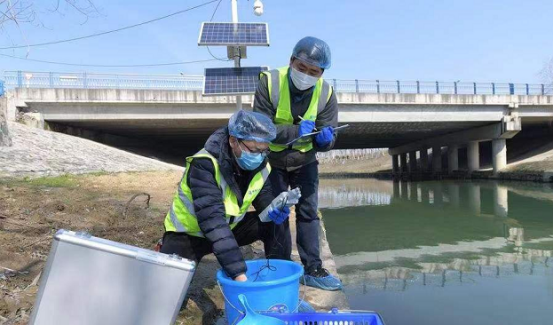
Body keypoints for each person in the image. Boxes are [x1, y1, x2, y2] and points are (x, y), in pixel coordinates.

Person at [253, 36, 342, 290]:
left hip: (305, 161)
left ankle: (313, 268)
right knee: (277, 212)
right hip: (273, 159)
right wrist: (295, 131)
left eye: (314, 72)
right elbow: (260, 128)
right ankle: (280, 266)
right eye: (301, 68)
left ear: (321, 73)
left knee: (308, 214)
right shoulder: (269, 82)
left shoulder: (326, 92)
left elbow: (329, 133)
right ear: (291, 61)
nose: (306, 75)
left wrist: (326, 139)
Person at [160, 110, 290, 282]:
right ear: (233, 141)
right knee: (170, 291)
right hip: (189, 235)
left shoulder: (260, 163)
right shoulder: (204, 164)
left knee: (274, 222)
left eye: (263, 151)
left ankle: (277, 276)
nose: (258, 156)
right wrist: (239, 274)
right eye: (253, 149)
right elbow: (213, 221)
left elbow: (263, 194)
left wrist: (272, 208)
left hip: (231, 227)